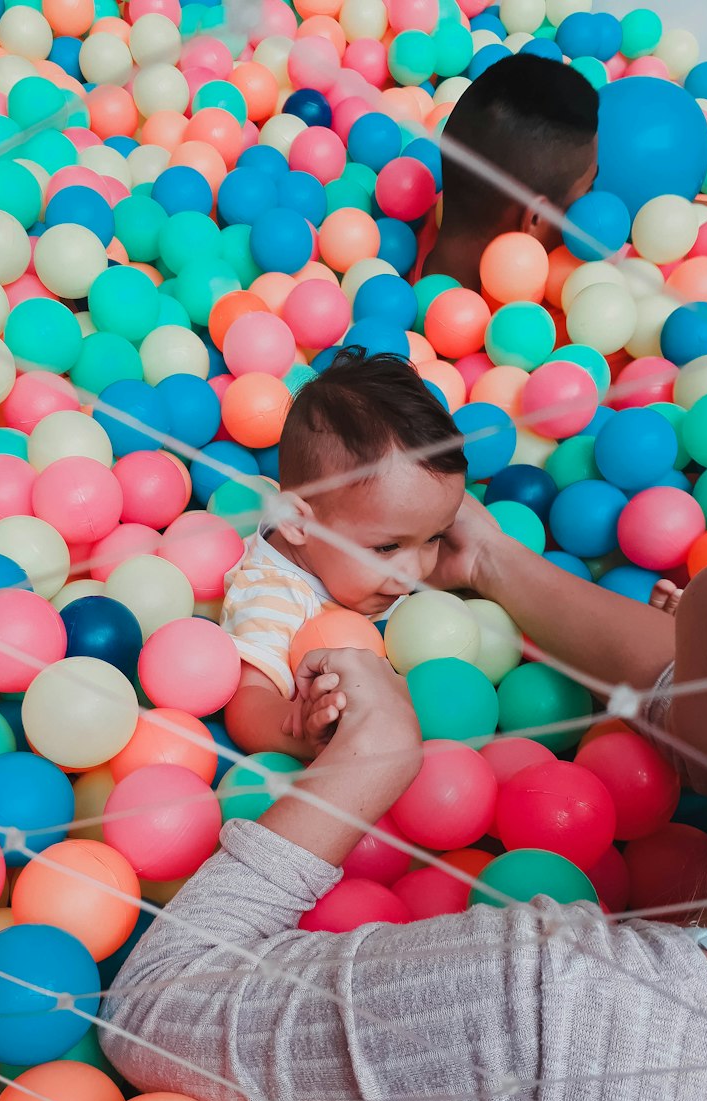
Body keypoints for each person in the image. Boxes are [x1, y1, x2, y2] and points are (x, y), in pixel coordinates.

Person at [103, 421, 707, 1101]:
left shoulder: (563, 1014)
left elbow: (159, 1008)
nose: (693, 579)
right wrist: (489, 560)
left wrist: (368, 761)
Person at [220, 348, 467, 758]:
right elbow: (246, 705)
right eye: (387, 547)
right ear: (299, 524)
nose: (415, 571)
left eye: (435, 537)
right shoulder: (272, 597)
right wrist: (300, 728)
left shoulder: (367, 547)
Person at [413, 52, 600, 289]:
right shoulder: (573, 303)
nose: (599, 202)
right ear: (535, 220)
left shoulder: (403, 248)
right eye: (590, 188)